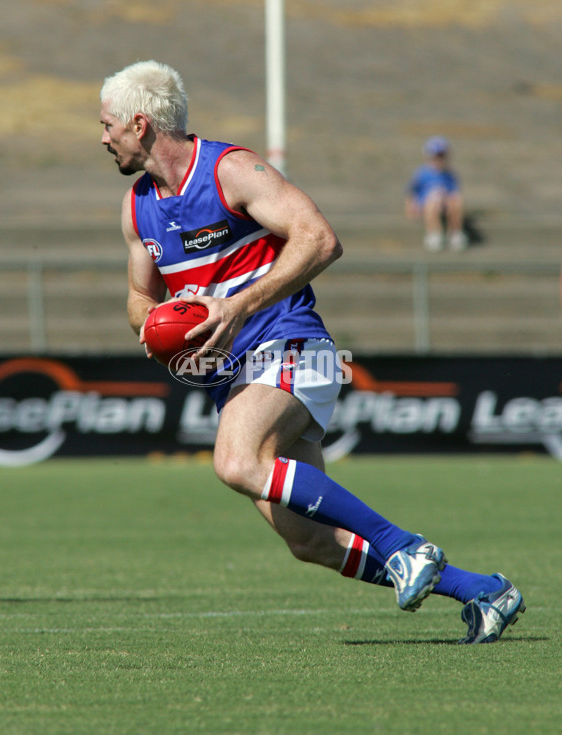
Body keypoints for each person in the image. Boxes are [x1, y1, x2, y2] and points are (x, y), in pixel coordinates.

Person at [100, 61, 525, 643]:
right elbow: (138, 296)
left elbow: (320, 239)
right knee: (309, 542)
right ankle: (482, 591)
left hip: (295, 343)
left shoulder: (232, 170)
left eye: (108, 125)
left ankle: (405, 546)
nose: (103, 137)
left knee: (235, 462)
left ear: (140, 125)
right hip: (238, 374)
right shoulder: (136, 206)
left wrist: (238, 305)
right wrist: (153, 329)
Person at [405, 136, 468, 252]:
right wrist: (410, 208)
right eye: (436, 157)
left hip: (445, 204)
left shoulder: (449, 174)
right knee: (434, 200)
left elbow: (454, 190)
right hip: (428, 203)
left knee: (456, 201)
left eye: (442, 156)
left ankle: (455, 233)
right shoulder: (422, 173)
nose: (439, 160)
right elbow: (412, 192)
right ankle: (434, 233)